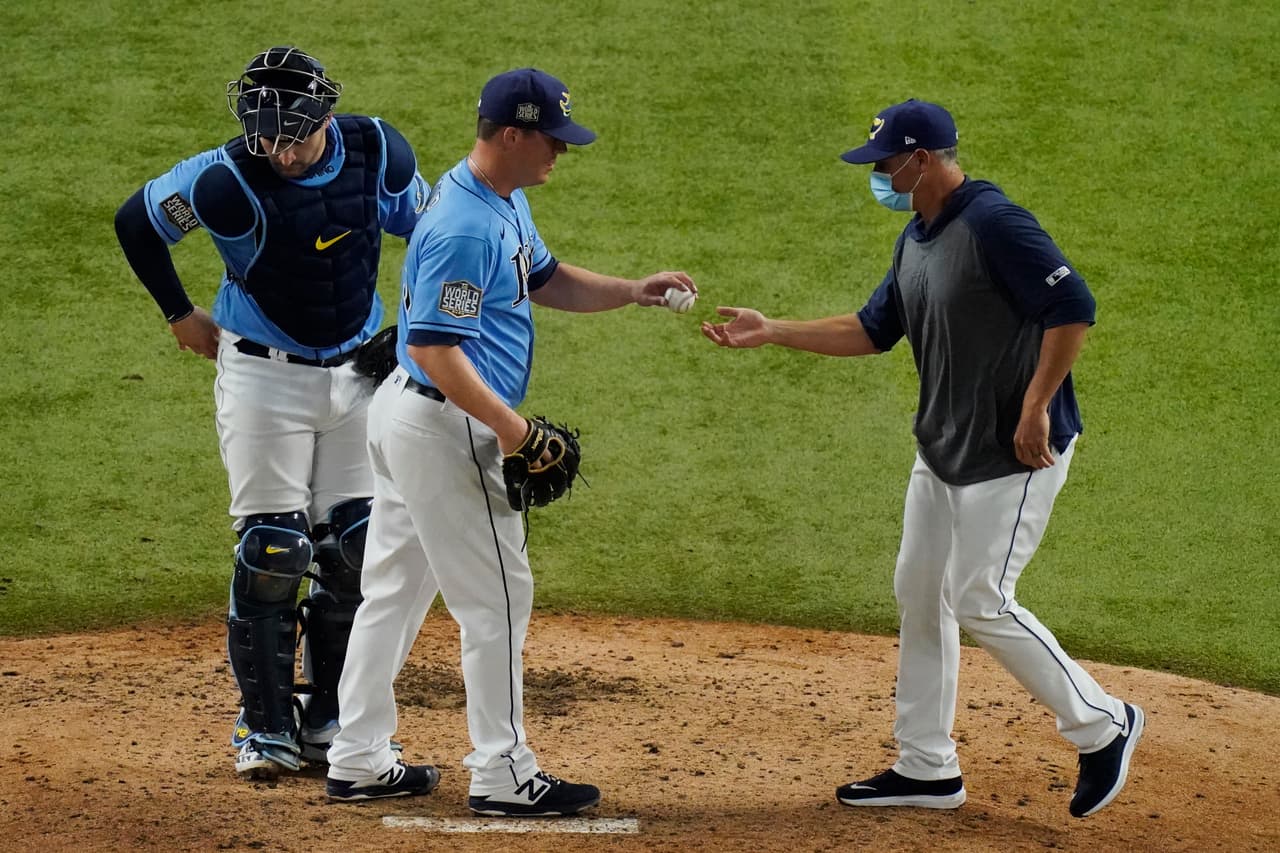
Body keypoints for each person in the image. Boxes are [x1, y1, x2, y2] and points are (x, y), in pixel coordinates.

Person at [702, 99, 1142, 819]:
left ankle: (1104, 723)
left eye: (885, 162)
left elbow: (1075, 307)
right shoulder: (916, 238)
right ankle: (927, 766)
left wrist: (1035, 405)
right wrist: (773, 330)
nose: (878, 174)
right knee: (920, 589)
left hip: (1014, 452)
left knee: (980, 597)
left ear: (925, 159)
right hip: (941, 450)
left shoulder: (996, 223)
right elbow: (874, 329)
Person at [323, 67, 696, 814]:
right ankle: (503, 769)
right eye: (552, 139)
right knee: (497, 599)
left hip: (408, 415)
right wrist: (513, 429)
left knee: (393, 592)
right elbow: (435, 347)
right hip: (442, 423)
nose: (561, 152)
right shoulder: (464, 225)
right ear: (512, 134)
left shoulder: (500, 198)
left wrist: (631, 289)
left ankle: (358, 754)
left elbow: (544, 278)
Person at [113, 46, 430, 781]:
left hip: (358, 373)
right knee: (273, 552)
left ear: (322, 115)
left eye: (290, 135)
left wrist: (411, 327)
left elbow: (429, 237)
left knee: (355, 546)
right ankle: (264, 729)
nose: (277, 151)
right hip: (264, 378)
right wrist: (177, 313)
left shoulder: (379, 151)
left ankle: (331, 716)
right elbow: (137, 221)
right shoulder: (223, 179)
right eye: (264, 135)